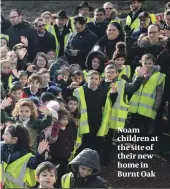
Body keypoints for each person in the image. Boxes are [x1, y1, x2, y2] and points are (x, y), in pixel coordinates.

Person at [73, 70, 118, 157]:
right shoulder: (81, 91)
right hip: (84, 123)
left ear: (99, 81)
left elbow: (108, 104)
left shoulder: (101, 92)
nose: (94, 80)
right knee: (83, 145)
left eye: (96, 79)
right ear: (87, 79)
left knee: (95, 144)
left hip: (97, 122)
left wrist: (114, 94)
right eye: (91, 78)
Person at [128, 53, 166, 142]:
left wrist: (156, 106)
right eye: (145, 63)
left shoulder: (159, 76)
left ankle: (143, 143)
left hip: (149, 106)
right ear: (142, 63)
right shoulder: (137, 72)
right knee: (135, 124)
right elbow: (133, 87)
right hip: (135, 104)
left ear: (153, 63)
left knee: (145, 126)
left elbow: (160, 93)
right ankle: (136, 142)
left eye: (150, 63)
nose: (147, 65)